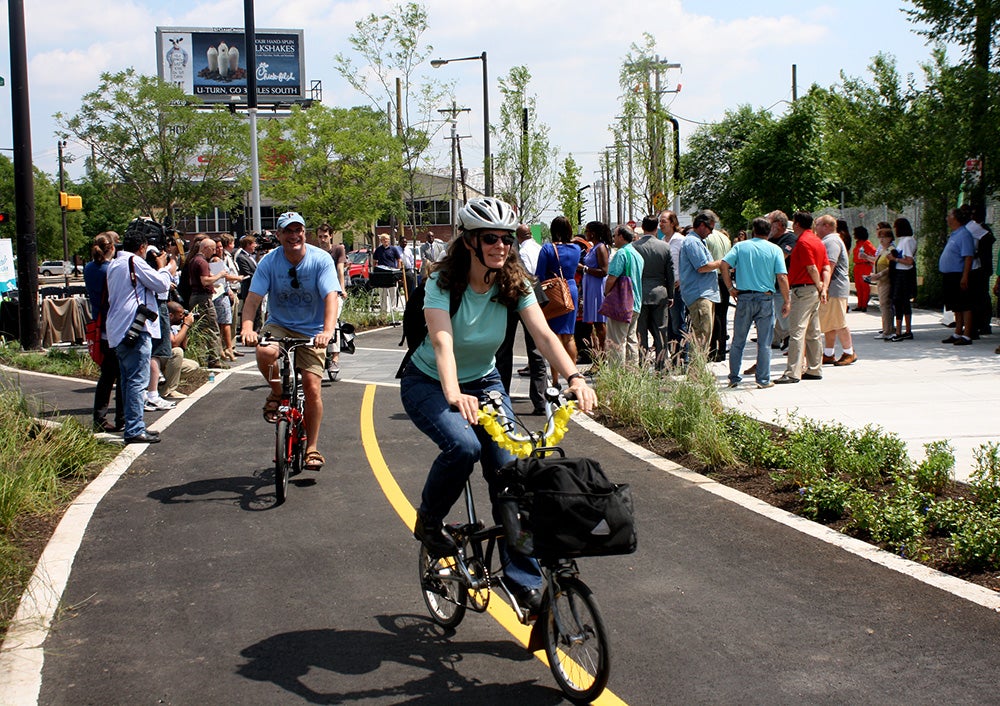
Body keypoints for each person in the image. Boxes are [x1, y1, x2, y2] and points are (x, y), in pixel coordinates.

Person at [400, 196, 596, 617]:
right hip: (430, 382)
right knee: (464, 447)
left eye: (506, 238)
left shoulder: (514, 283)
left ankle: (522, 579)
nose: (500, 246)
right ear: (469, 241)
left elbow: (543, 336)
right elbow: (441, 342)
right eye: (490, 238)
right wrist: (453, 392)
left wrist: (575, 377)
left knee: (512, 474)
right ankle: (429, 523)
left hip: (485, 382)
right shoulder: (441, 282)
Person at [241, 212, 341, 471]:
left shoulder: (320, 260)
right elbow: (253, 298)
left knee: (312, 387)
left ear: (305, 233)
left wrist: (327, 331)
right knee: (264, 352)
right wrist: (247, 327)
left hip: (313, 328)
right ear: (279, 235)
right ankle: (276, 392)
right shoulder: (269, 262)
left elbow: (331, 296)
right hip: (280, 324)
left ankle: (312, 447)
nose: (293, 235)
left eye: (298, 230)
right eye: (288, 231)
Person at [105, 223, 172, 444]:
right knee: (137, 380)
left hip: (117, 329)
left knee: (127, 379)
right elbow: (161, 285)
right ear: (142, 247)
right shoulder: (134, 262)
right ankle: (134, 429)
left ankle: (130, 423)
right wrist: (163, 266)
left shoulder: (115, 263)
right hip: (135, 329)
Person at [720, 217, 789, 388]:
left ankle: (734, 377)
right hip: (765, 298)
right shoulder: (775, 250)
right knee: (764, 343)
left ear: (753, 230)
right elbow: (781, 276)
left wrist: (730, 288)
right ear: (769, 231)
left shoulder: (740, 247)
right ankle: (763, 380)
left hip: (744, 297)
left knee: (738, 341)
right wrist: (787, 300)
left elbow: (723, 265)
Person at [775, 212, 830, 384]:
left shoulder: (804, 242)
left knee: (797, 331)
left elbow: (811, 267)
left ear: (797, 224)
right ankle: (814, 369)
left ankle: (793, 372)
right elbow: (826, 267)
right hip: (813, 290)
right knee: (813, 332)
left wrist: (819, 285)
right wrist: (823, 288)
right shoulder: (817, 241)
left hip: (803, 290)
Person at [84, 232, 124, 433]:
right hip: (115, 324)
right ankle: (122, 418)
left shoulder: (89, 268)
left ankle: (99, 417)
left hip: (100, 323)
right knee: (124, 373)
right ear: (112, 248)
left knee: (107, 375)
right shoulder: (112, 269)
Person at [535, 216, 582, 386]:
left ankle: (555, 380)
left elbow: (539, 275)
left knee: (554, 336)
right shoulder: (576, 248)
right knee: (569, 336)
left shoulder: (548, 249)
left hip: (553, 292)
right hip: (571, 289)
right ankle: (573, 376)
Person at [632, 214, 675, 369]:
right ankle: (661, 366)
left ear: (642, 228)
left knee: (640, 333)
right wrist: (671, 295)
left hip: (640, 295)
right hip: (660, 293)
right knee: (661, 332)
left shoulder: (635, 247)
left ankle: (642, 365)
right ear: (657, 228)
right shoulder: (665, 247)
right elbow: (670, 274)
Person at [678, 211, 723, 354]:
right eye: (711, 228)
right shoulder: (692, 242)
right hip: (699, 295)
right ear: (702, 225)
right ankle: (695, 371)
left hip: (704, 294)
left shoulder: (698, 241)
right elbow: (702, 267)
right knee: (701, 335)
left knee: (705, 335)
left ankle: (698, 369)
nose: (711, 233)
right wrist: (722, 263)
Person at [815, 215, 856, 366]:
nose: (815, 228)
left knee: (839, 321)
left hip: (835, 288)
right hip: (833, 288)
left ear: (826, 226)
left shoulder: (831, 241)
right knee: (830, 322)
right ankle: (829, 353)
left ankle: (849, 352)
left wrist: (823, 286)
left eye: (817, 224)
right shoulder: (830, 240)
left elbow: (829, 265)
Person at [603, 225, 645, 365]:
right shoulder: (637, 254)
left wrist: (606, 293)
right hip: (636, 302)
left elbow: (611, 278)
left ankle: (617, 373)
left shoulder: (621, 253)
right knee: (631, 339)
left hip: (622, 303)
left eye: (615, 235)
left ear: (621, 236)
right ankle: (632, 373)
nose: (614, 239)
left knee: (617, 340)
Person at [187, 237, 230, 368]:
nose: (214, 252)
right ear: (205, 248)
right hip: (203, 298)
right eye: (212, 249)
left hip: (195, 296)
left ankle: (201, 358)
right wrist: (220, 275)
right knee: (212, 328)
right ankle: (214, 360)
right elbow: (205, 281)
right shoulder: (202, 262)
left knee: (200, 329)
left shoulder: (194, 260)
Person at [938, 207, 977, 346]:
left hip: (958, 274)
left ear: (956, 218)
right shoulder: (955, 234)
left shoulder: (964, 234)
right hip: (950, 275)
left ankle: (967, 335)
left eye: (949, 215)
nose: (947, 218)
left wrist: (965, 276)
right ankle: (958, 331)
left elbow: (968, 257)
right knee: (956, 305)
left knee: (965, 304)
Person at [577, 221, 612, 360]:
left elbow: (604, 271)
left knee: (599, 324)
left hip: (597, 288)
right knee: (595, 325)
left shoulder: (601, 247)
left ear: (593, 232)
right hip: (591, 287)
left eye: (587, 231)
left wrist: (584, 268)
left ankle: (603, 358)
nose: (585, 234)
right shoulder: (593, 247)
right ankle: (599, 357)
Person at [766, 210, 797, 351]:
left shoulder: (790, 239)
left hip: (782, 288)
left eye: (769, 223)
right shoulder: (769, 240)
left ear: (778, 224)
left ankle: (796, 349)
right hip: (768, 287)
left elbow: (779, 259)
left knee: (786, 322)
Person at [703, 212, 732, 362]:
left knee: (713, 315)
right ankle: (721, 349)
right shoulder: (725, 238)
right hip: (724, 277)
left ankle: (712, 349)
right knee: (722, 314)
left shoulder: (706, 238)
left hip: (712, 276)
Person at [160, 301, 200, 399]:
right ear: (170, 315)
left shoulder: (174, 327)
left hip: (166, 360)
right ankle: (168, 391)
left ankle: (162, 388)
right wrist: (186, 325)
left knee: (192, 366)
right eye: (180, 315)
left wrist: (185, 327)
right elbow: (174, 344)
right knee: (177, 352)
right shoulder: (163, 324)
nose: (182, 317)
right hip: (156, 361)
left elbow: (184, 346)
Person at [888, 217, 917, 341]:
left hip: (904, 274)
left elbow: (909, 261)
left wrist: (895, 259)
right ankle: (899, 330)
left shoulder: (908, 241)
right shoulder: (902, 241)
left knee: (903, 301)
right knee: (897, 301)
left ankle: (906, 330)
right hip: (899, 272)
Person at [865, 227, 896, 340]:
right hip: (880, 281)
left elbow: (891, 267)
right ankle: (887, 329)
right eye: (880, 237)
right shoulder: (883, 250)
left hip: (887, 280)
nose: (881, 240)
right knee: (884, 305)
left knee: (885, 305)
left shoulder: (891, 250)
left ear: (890, 238)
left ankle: (888, 331)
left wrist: (879, 274)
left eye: (884, 237)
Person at [373, 233, 404, 313]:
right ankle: (383, 310)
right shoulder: (378, 250)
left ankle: (393, 308)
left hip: (391, 274)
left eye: (386, 239)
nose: (385, 241)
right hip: (382, 274)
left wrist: (398, 270)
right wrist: (375, 270)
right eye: (383, 240)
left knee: (393, 291)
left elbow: (399, 259)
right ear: (381, 241)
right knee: (382, 292)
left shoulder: (393, 249)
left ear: (389, 240)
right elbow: (374, 261)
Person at [852, 226, 876, 311]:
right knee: (858, 286)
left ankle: (864, 305)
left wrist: (868, 258)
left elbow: (875, 253)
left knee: (864, 286)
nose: (853, 234)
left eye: (855, 233)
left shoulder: (866, 243)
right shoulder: (858, 243)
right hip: (858, 266)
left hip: (865, 266)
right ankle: (860, 305)